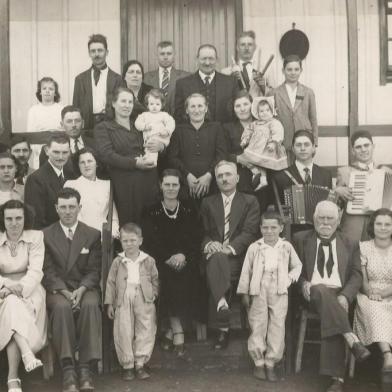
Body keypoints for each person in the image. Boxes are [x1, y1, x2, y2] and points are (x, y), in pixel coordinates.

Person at [293, 200, 371, 392]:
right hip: (311, 293)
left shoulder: (350, 243)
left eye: (330, 218)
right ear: (314, 219)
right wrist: (303, 283)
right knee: (320, 290)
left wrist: (345, 296)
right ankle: (350, 339)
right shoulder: (299, 239)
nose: (325, 222)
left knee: (333, 309)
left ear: (338, 221)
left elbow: (356, 274)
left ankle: (337, 380)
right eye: (321, 218)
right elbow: (293, 270)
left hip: (339, 294)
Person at [42, 188, 102, 392]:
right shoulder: (46, 235)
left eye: (72, 207)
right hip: (58, 290)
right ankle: (68, 367)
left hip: (84, 287)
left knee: (91, 304)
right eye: (63, 207)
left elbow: (95, 270)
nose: (68, 211)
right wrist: (64, 291)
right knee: (61, 308)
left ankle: (85, 366)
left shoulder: (92, 234)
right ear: (56, 208)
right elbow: (47, 271)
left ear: (79, 208)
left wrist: (83, 289)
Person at [200, 160, 260, 350]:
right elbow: (203, 232)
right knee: (217, 258)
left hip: (239, 256)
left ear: (237, 177)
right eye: (220, 176)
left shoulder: (250, 201)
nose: (224, 179)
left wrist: (229, 248)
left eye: (228, 174)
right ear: (216, 180)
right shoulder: (208, 202)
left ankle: (222, 326)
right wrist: (210, 243)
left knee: (220, 259)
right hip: (214, 256)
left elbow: (249, 232)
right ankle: (222, 306)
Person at [237, 210, 302, 382]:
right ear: (260, 228)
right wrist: (244, 293)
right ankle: (258, 362)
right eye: (265, 227)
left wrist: (288, 279)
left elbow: (297, 266)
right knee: (258, 323)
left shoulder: (286, 247)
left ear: (281, 228)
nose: (269, 231)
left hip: (280, 289)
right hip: (258, 288)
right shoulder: (255, 247)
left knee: (277, 325)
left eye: (273, 227)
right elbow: (246, 271)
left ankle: (271, 362)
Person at [142, 169, 201, 355]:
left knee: (187, 276)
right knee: (168, 277)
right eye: (167, 184)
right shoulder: (151, 210)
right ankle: (178, 331)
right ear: (161, 185)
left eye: (174, 184)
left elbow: (195, 238)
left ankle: (169, 331)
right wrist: (168, 258)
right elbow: (150, 241)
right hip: (160, 260)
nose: (170, 188)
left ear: (180, 186)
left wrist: (183, 256)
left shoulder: (189, 208)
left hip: (186, 260)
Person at [95, 87, 161, 225]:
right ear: (113, 103)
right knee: (130, 223)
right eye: (123, 101)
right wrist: (134, 163)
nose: (127, 105)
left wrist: (160, 146)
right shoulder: (104, 127)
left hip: (148, 180)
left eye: (130, 102)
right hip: (124, 183)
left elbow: (153, 144)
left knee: (150, 222)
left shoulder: (138, 126)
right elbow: (107, 155)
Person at [0, 200, 47, 392]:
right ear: (3, 220)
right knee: (11, 304)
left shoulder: (35, 237)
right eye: (9, 218)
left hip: (30, 289)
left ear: (25, 218)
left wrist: (17, 288)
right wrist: (8, 287)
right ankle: (26, 355)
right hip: (2, 290)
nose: (14, 223)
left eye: (18, 218)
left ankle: (13, 378)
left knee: (12, 306)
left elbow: (36, 271)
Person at [105, 223, 158, 381]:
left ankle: (140, 363)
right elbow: (111, 282)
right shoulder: (118, 261)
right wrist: (110, 303)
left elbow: (155, 279)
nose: (129, 244)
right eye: (125, 241)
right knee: (124, 328)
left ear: (140, 241)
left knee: (145, 326)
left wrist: (153, 294)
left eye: (133, 240)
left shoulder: (148, 260)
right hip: (123, 296)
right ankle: (127, 364)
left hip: (144, 296)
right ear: (121, 241)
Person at [168, 93, 227, 205]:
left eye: (200, 106)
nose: (196, 110)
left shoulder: (216, 128)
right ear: (186, 110)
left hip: (213, 185)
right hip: (186, 187)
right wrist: (187, 176)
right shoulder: (179, 130)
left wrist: (209, 176)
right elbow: (172, 158)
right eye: (192, 106)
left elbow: (222, 155)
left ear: (206, 108)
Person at [353, 209, 392, 375]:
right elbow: (362, 279)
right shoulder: (364, 247)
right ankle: (387, 355)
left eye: (388, 224)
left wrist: (383, 294)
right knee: (374, 307)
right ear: (372, 226)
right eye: (379, 224)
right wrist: (370, 292)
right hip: (368, 294)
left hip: (390, 292)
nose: (383, 227)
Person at [335, 130, 391, 242]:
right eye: (358, 147)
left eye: (366, 145)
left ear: (373, 146)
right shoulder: (344, 172)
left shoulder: (386, 171)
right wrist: (337, 191)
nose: (363, 150)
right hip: (353, 227)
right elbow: (336, 207)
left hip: (379, 226)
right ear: (353, 151)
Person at [174, 44, 239, 123]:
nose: (207, 63)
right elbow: (179, 114)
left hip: (223, 133)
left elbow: (236, 112)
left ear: (217, 60)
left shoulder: (230, 82)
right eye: (203, 59)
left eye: (211, 59)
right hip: (193, 133)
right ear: (197, 59)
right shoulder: (183, 84)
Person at [73, 34, 124, 131]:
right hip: (87, 127)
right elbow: (76, 106)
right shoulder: (80, 79)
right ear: (89, 53)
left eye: (100, 50)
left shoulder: (117, 79)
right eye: (93, 51)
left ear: (107, 52)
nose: (96, 54)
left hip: (111, 125)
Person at [64, 147, 119, 237]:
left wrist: (113, 232)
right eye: (82, 162)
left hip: (103, 237)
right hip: (79, 237)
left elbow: (114, 217)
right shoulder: (71, 185)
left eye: (90, 161)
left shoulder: (106, 185)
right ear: (78, 165)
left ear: (96, 163)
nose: (86, 165)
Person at [269, 55, 318, 157]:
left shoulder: (308, 92)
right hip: (283, 141)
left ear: (301, 70)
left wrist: (315, 143)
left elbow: (313, 119)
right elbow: (270, 119)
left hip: (304, 141)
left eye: (296, 69)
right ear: (283, 71)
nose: (293, 72)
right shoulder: (275, 93)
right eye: (289, 69)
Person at [25, 133, 75, 229]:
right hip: (49, 238)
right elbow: (36, 220)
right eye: (56, 152)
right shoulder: (35, 179)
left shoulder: (71, 174)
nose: (61, 157)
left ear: (69, 152)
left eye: (65, 152)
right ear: (47, 151)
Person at [238, 96, 287, 191]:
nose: (264, 113)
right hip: (256, 148)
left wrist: (273, 142)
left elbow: (278, 132)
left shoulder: (274, 122)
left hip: (268, 149)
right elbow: (248, 130)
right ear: (258, 114)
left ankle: (262, 177)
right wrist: (245, 139)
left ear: (272, 111)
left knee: (262, 162)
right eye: (261, 111)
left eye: (267, 110)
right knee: (245, 159)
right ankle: (258, 174)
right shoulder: (255, 123)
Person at [272, 130, 332, 205]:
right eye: (298, 145)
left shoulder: (326, 175)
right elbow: (278, 209)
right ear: (293, 149)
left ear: (313, 148)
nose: (303, 148)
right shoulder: (281, 176)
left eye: (306, 144)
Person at [39, 106, 95, 175]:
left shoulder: (95, 145)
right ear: (62, 125)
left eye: (77, 121)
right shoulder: (50, 149)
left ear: (83, 123)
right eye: (69, 121)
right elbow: (44, 176)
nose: (74, 125)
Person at [221, 30, 273, 97]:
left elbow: (274, 95)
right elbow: (223, 96)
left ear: (255, 47)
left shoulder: (267, 70)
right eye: (243, 45)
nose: (246, 48)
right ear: (237, 47)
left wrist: (263, 87)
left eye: (250, 44)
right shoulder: (226, 72)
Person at [26, 76, 64, 168]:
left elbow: (65, 131)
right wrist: (41, 151)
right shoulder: (33, 110)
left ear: (55, 93)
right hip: (40, 151)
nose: (47, 91)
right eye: (44, 88)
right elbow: (30, 135)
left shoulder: (61, 109)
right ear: (40, 91)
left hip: (59, 150)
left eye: (51, 89)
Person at [144, 41, 190, 114]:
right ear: (156, 55)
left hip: (179, 122)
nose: (165, 57)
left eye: (169, 54)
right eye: (162, 54)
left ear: (174, 55)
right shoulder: (146, 77)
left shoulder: (185, 76)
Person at [134, 89, 175, 166]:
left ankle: (152, 162)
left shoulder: (164, 115)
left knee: (152, 149)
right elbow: (137, 123)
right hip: (149, 138)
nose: (154, 107)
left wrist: (167, 131)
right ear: (147, 105)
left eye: (157, 104)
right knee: (148, 148)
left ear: (162, 105)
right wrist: (144, 126)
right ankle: (146, 159)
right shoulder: (144, 115)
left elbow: (171, 123)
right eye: (151, 104)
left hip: (161, 137)